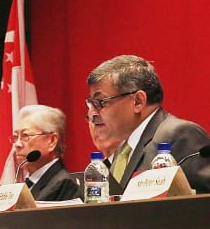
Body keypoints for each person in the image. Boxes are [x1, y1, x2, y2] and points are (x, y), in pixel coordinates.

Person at [86, 54, 210, 194]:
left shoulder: (181, 135)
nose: (92, 113)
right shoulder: (123, 149)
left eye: (100, 102)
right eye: (90, 104)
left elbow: (203, 204)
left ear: (138, 101)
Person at [10, 104, 81, 202]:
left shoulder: (63, 185)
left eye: (25, 135)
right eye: (15, 137)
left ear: (51, 140)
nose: (17, 144)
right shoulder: (23, 184)